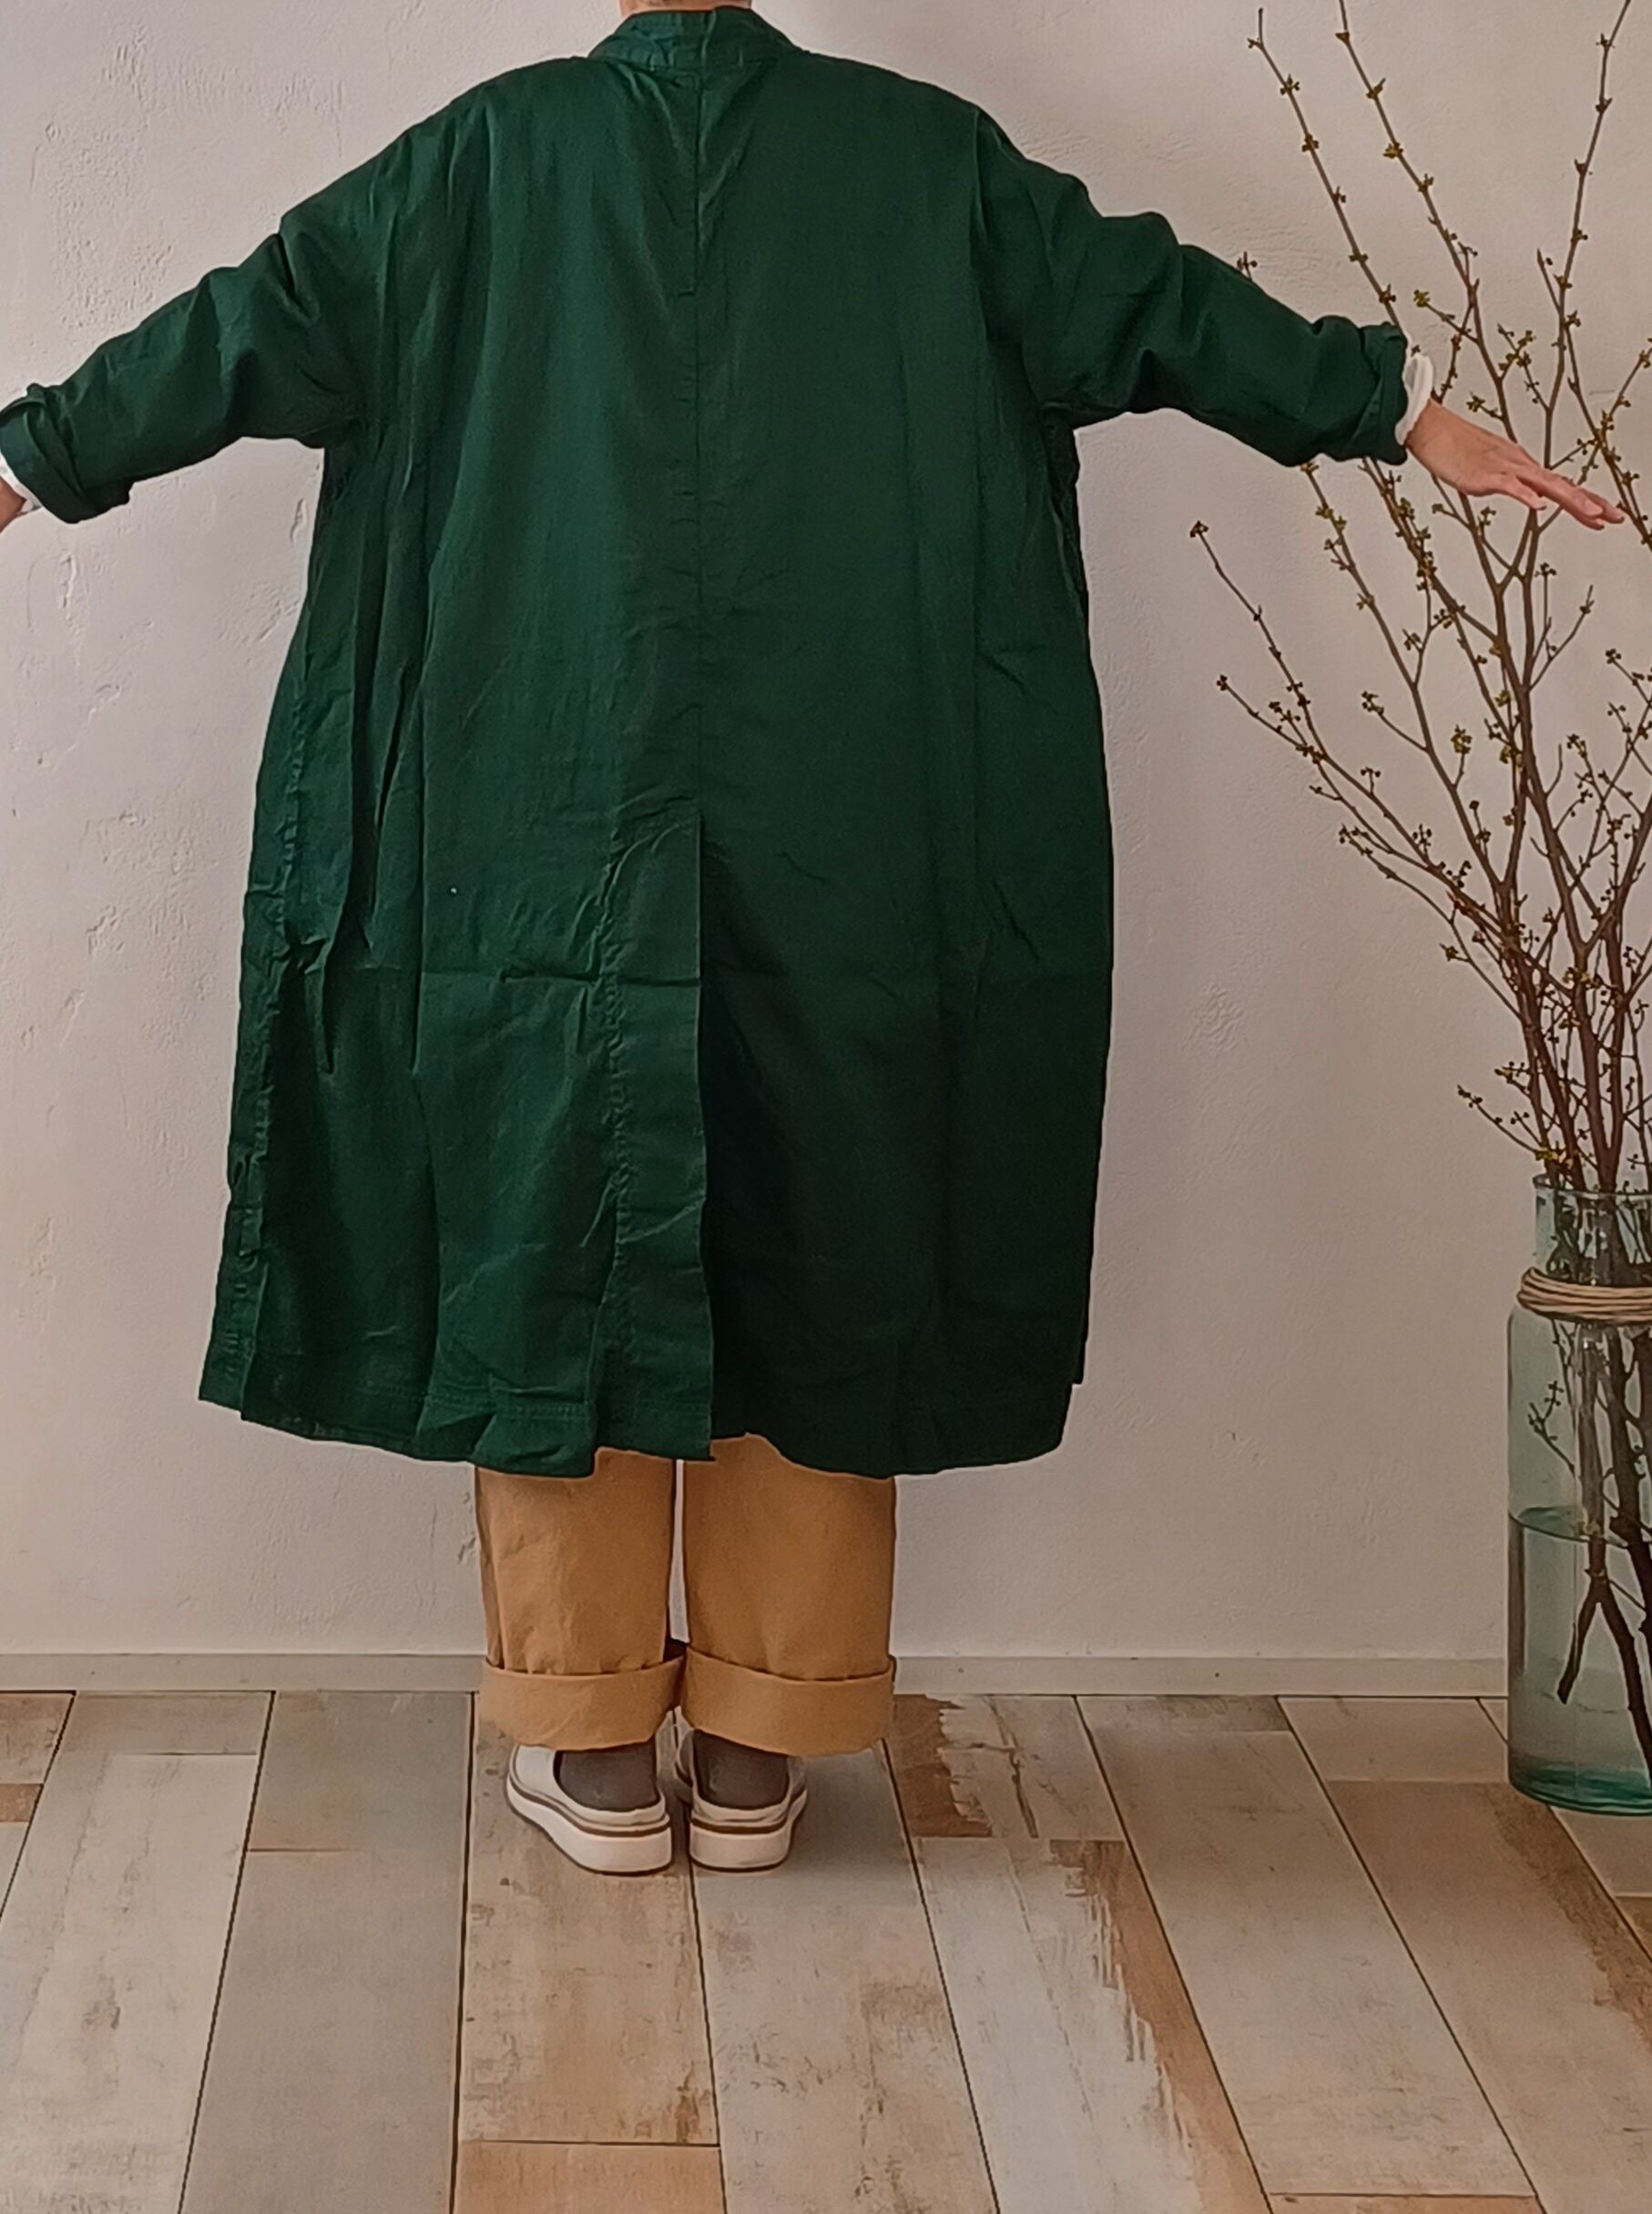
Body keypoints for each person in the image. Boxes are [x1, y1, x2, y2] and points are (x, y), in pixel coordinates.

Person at [0, 0, 1621, 1876]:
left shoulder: (479, 164)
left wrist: (35, 454)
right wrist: (1394, 413)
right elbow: (1156, 306)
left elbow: (245, 325)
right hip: (858, 825)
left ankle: (593, 1739)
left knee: (549, 1231)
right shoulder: (925, 165)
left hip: (538, 815)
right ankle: (766, 1736)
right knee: (826, 1229)